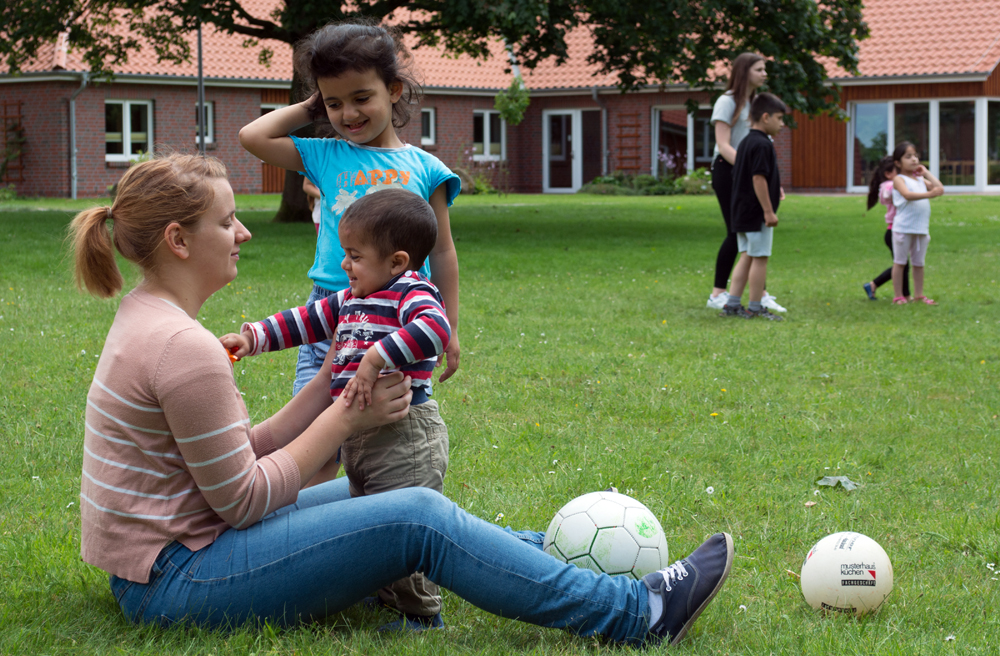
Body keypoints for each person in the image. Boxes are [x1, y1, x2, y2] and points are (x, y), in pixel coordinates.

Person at [70, 153, 735, 645]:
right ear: (179, 241)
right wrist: (344, 415)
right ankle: (636, 614)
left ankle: (576, 558)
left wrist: (333, 371)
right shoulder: (182, 351)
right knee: (413, 515)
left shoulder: (148, 319)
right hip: (179, 582)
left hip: (164, 561)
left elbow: (239, 453)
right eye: (227, 220)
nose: (244, 232)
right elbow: (242, 500)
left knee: (399, 502)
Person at [222, 188, 452, 628]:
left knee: (399, 520)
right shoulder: (351, 298)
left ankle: (421, 611)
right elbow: (303, 321)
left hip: (404, 433)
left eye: (354, 255)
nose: (344, 265)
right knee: (367, 514)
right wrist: (252, 338)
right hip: (362, 434)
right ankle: (383, 592)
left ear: (397, 262)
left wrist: (375, 358)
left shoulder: (413, 292)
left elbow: (434, 329)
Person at [238, 20, 462, 399]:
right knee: (311, 424)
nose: (348, 114)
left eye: (361, 98)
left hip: (400, 310)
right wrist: (312, 108)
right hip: (329, 306)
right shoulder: (326, 155)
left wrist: (450, 326)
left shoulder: (427, 168)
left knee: (385, 426)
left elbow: (442, 250)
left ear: (394, 90)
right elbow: (252, 137)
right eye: (334, 103)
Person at [706, 52, 786, 314]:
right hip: (727, 170)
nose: (765, 74)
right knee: (738, 231)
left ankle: (758, 294)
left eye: (765, 69)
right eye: (759, 69)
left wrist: (773, 182)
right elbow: (723, 144)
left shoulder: (759, 104)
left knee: (752, 238)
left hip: (748, 171)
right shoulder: (726, 102)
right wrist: (748, 169)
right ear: (744, 72)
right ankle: (719, 293)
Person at [720, 93, 789, 321]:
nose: (782, 124)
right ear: (766, 117)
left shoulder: (746, 142)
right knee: (760, 258)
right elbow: (758, 178)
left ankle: (731, 304)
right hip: (756, 214)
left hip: (741, 212)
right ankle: (755, 306)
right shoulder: (762, 145)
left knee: (746, 256)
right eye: (779, 118)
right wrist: (768, 211)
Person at [889, 141, 943, 305]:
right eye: (908, 156)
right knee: (900, 263)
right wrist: (929, 195)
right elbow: (907, 195)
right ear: (898, 163)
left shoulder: (920, 180)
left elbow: (939, 189)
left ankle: (919, 295)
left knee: (919, 264)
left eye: (915, 156)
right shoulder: (899, 179)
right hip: (903, 229)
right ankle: (898, 295)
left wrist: (926, 173)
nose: (914, 159)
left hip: (921, 229)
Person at [862, 156, 910, 301]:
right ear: (888, 174)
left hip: (900, 230)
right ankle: (875, 285)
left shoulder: (897, 183)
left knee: (903, 264)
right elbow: (887, 193)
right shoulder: (889, 185)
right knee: (901, 264)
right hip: (893, 231)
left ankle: (903, 294)